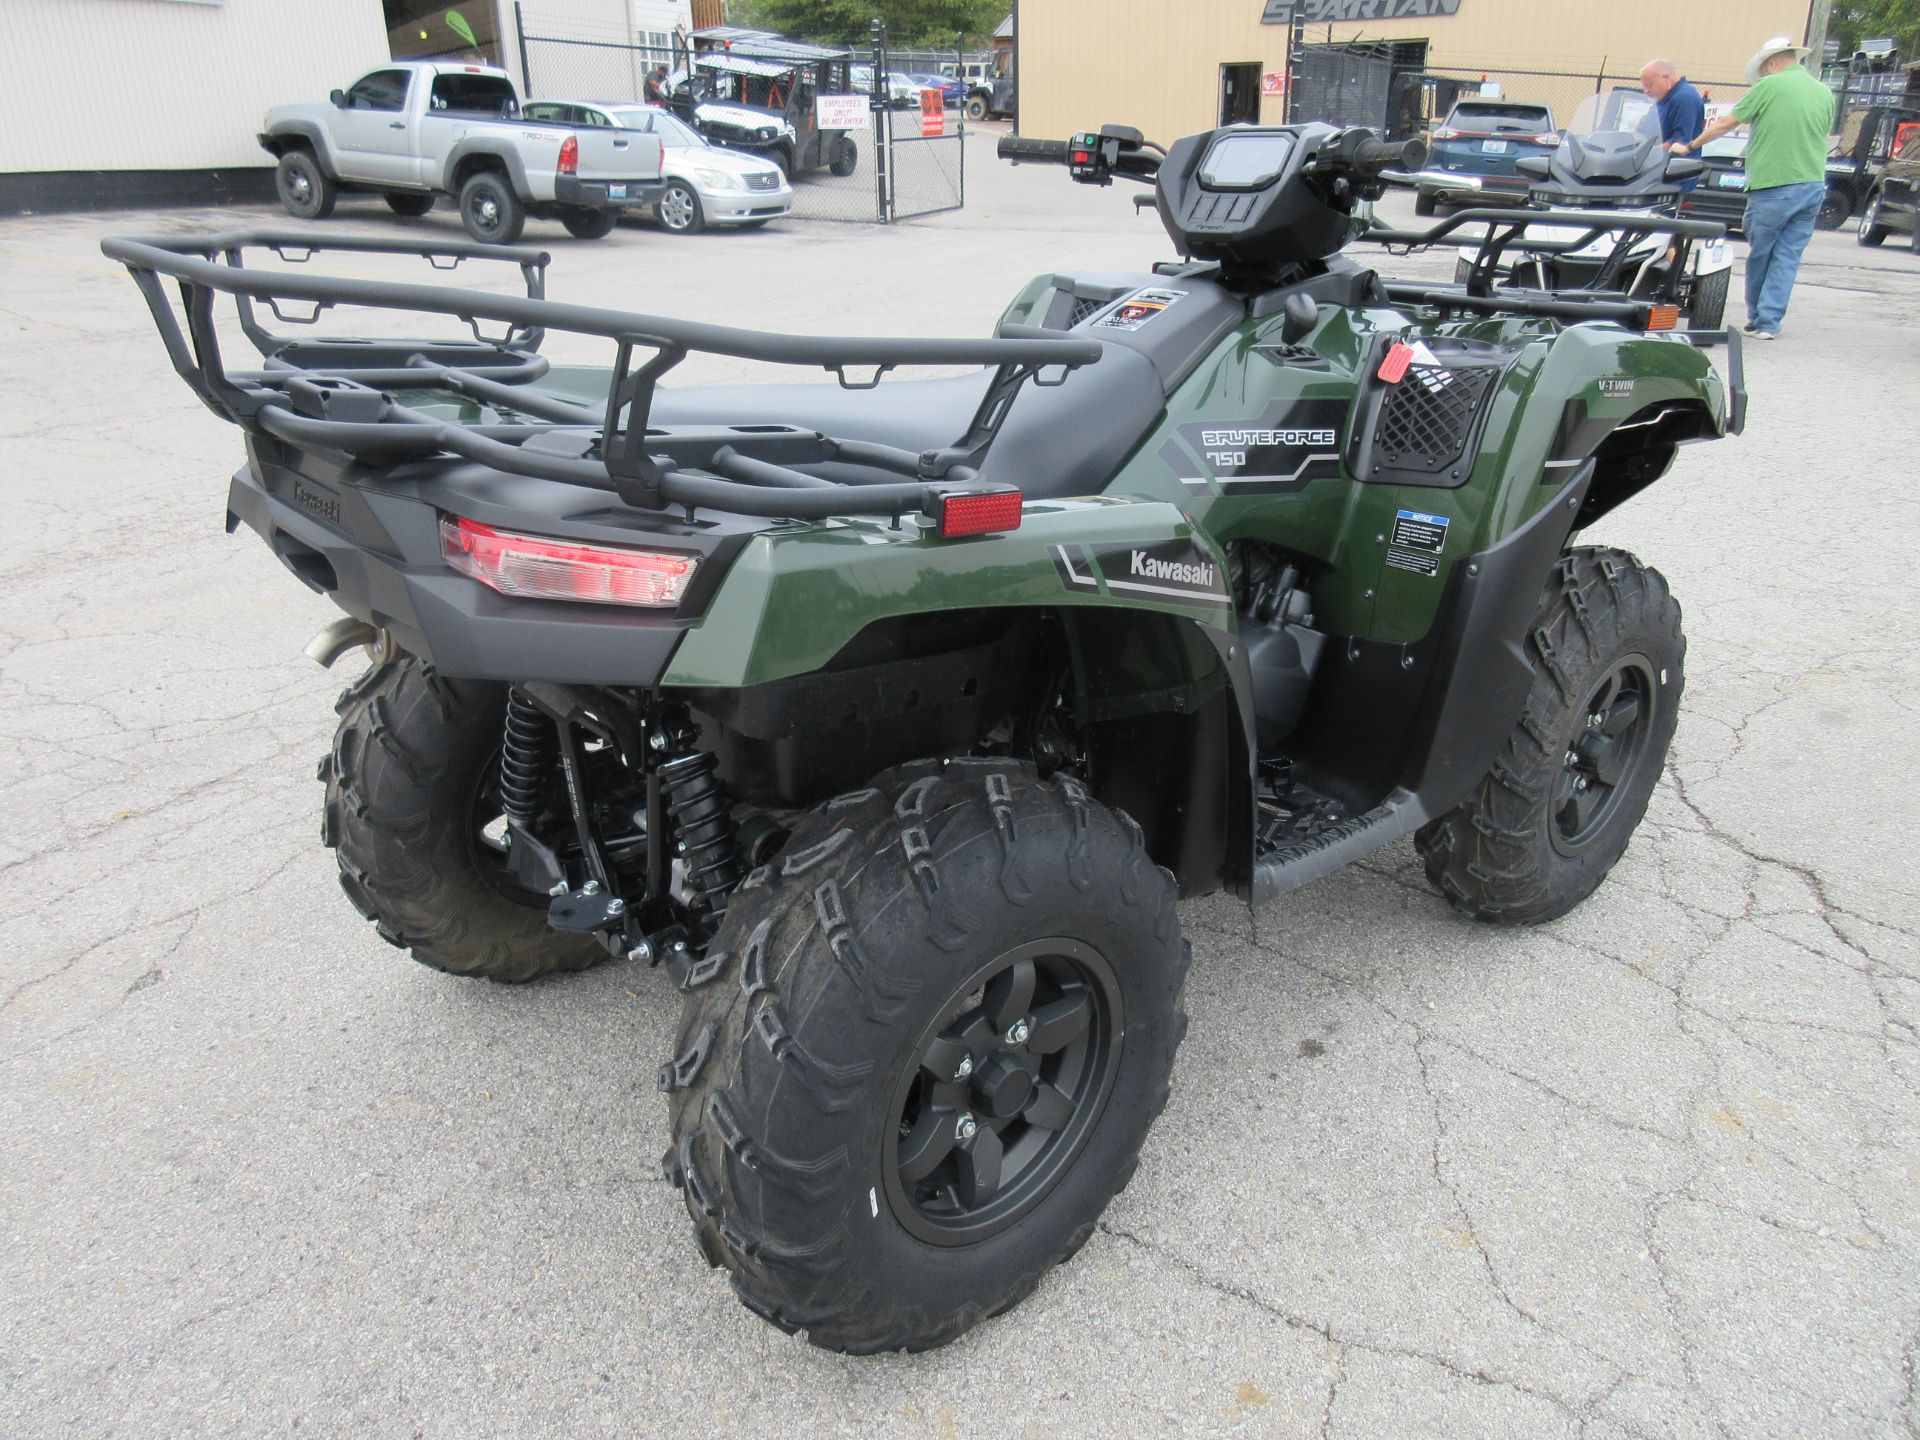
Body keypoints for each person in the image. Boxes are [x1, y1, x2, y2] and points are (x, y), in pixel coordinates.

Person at [1670, 35, 1836, 339]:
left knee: (1762, 253)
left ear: (1771, 62)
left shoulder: (1768, 87)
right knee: (1787, 256)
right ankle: (1770, 322)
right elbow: (1821, 134)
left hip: (1774, 184)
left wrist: (1690, 145)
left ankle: (1758, 319)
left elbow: (1726, 123)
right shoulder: (1824, 92)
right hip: (1812, 184)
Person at [1639, 59, 1705, 191]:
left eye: (1650, 85)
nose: (1646, 91)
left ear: (1666, 77)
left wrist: (1645, 154)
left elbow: (1680, 143)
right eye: (1644, 87)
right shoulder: (1662, 99)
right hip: (1652, 174)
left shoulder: (1684, 98)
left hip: (1673, 179)